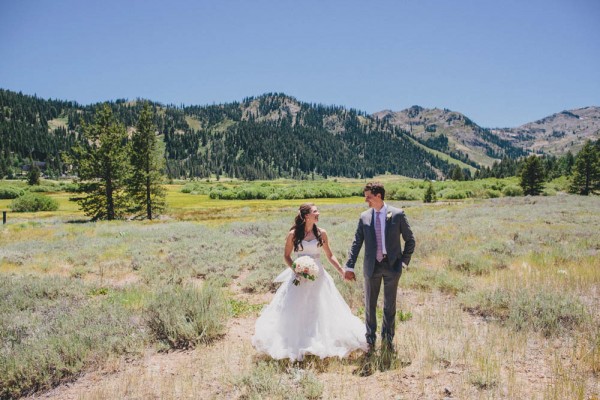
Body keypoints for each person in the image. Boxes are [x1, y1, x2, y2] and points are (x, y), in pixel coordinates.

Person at [252, 203, 368, 361]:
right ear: (306, 216)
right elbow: (286, 256)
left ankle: (319, 339)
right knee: (296, 307)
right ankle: (297, 341)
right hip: (299, 277)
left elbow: (330, 255)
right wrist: (296, 268)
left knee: (320, 306)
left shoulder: (322, 233)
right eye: (315, 212)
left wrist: (342, 271)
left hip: (319, 276)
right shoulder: (293, 234)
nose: (318, 213)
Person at [344, 182, 416, 353]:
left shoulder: (397, 214)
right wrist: (350, 266)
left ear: (378, 196)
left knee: (389, 305)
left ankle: (388, 340)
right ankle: (370, 341)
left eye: (368, 196)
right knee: (369, 305)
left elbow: (410, 240)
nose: (365, 200)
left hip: (392, 266)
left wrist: (403, 262)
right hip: (372, 266)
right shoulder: (364, 217)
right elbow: (356, 244)